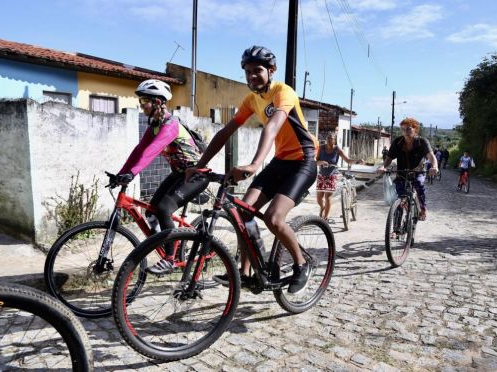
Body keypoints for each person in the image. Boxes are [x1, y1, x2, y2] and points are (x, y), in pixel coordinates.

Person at [185, 46, 318, 293]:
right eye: (247, 72)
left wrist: (255, 165)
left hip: (303, 161)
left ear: (271, 70)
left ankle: (301, 264)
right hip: (280, 161)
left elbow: (273, 126)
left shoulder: (283, 92)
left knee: (274, 218)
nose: (251, 76)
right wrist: (199, 166)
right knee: (243, 214)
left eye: (257, 70)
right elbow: (225, 132)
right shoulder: (251, 100)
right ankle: (245, 273)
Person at [114, 79, 207, 275]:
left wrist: (132, 173)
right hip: (179, 174)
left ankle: (170, 258)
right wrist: (122, 172)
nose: (141, 105)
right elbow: (139, 150)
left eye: (144, 101)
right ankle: (166, 241)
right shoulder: (155, 126)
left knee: (165, 208)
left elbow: (153, 151)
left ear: (158, 102)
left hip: (196, 175)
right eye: (141, 101)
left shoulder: (170, 125)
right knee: (152, 210)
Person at [377, 117, 438, 220]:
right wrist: (383, 166)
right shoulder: (397, 142)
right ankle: (396, 229)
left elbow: (431, 156)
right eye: (403, 129)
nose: (405, 131)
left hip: (418, 172)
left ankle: (422, 209)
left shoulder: (422, 142)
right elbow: (389, 158)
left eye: (408, 129)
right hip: (401, 173)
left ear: (415, 129)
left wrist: (435, 167)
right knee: (398, 199)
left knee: (418, 185)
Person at [316, 133, 362, 221]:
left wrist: (357, 161)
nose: (330, 140)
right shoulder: (321, 148)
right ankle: (323, 207)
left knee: (328, 196)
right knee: (319, 198)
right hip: (321, 175)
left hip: (332, 175)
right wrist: (322, 162)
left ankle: (325, 218)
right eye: (328, 138)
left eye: (332, 138)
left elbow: (348, 160)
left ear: (334, 140)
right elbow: (316, 161)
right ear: (326, 139)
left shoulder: (337, 149)